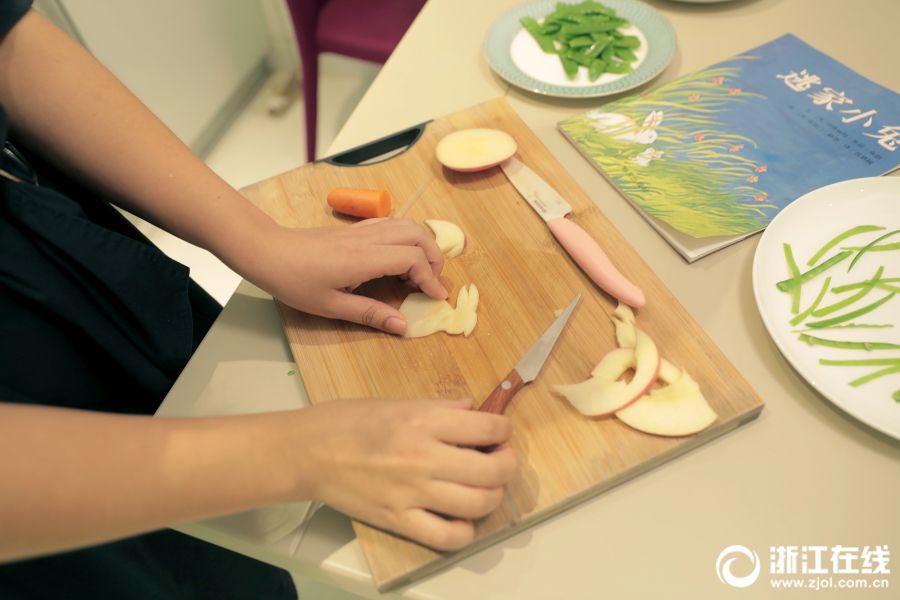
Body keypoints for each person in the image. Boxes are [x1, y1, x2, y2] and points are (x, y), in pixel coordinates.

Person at [0, 2, 517, 598]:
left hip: (56, 256)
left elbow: (10, 41)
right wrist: (305, 452)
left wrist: (260, 240)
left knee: (237, 557)